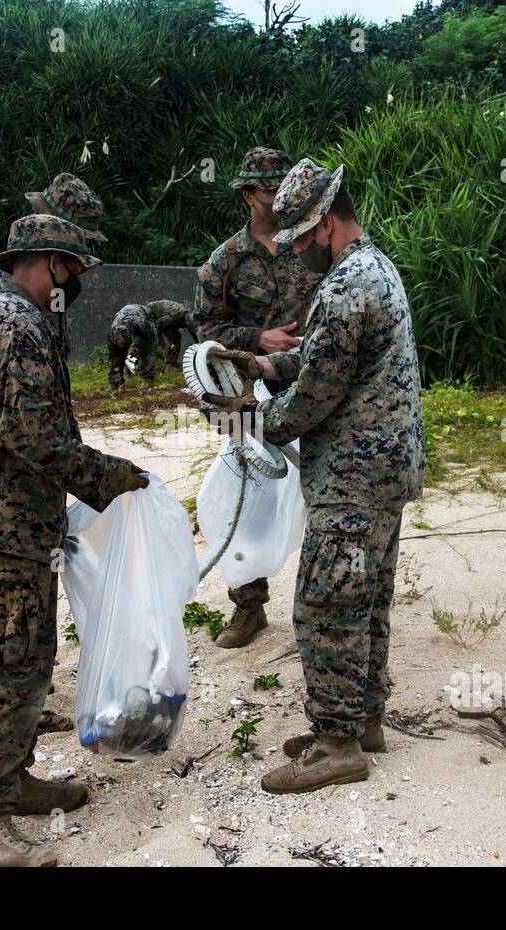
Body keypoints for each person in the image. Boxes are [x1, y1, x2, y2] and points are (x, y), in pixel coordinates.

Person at [201, 159, 425, 795]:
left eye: (301, 237)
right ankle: (364, 721)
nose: (296, 251)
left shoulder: (346, 285)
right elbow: (327, 353)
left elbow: (319, 392)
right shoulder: (373, 269)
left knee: (326, 603)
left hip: (353, 474)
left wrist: (252, 420)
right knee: (368, 596)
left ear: (327, 223)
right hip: (387, 466)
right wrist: (269, 366)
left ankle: (337, 743)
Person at [0, 214, 148, 866]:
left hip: (10, 523)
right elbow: (32, 436)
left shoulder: (6, 317)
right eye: (76, 267)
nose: (80, 280)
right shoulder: (17, 324)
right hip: (6, 530)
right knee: (18, 670)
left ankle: (16, 779)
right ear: (52, 262)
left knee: (25, 660)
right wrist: (111, 478)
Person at [0, 173, 106, 729]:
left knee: (7, 612)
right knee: (6, 608)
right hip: (4, 482)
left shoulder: (32, 303)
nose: (82, 269)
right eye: (76, 255)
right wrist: (100, 476)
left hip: (16, 480)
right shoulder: (7, 305)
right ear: (52, 253)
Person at [192, 147, 322, 649]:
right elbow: (204, 331)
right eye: (272, 189)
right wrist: (257, 339)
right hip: (251, 393)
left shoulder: (311, 244)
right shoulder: (224, 261)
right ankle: (249, 608)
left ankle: (320, 607)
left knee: (321, 491)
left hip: (313, 384)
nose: (283, 196)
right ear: (249, 195)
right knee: (240, 497)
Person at [107, 304, 158, 391]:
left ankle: (147, 379)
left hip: (142, 313)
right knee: (115, 357)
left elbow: (151, 340)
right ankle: (115, 383)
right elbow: (114, 358)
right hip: (126, 317)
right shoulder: (111, 335)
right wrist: (114, 379)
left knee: (148, 350)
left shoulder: (141, 324)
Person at [147, 299, 194, 370]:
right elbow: (158, 325)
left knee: (175, 337)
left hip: (169, 316)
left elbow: (194, 333)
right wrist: (164, 343)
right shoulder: (176, 316)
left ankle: (170, 365)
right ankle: (170, 365)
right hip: (157, 315)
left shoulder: (185, 318)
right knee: (173, 338)